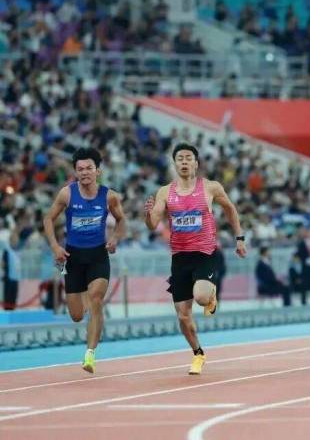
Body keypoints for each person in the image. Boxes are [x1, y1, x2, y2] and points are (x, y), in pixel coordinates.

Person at [144, 143, 247, 375]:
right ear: (174, 164)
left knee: (200, 297)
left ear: (196, 163)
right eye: (180, 158)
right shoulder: (165, 192)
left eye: (188, 158)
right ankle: (198, 353)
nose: (184, 162)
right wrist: (147, 216)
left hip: (204, 253)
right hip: (179, 257)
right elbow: (153, 223)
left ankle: (210, 294)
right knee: (183, 316)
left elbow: (230, 209)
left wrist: (239, 237)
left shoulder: (210, 187)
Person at [43, 147, 127, 373]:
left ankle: (90, 353)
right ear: (75, 172)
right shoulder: (67, 194)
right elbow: (48, 219)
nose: (85, 172)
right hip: (73, 257)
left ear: (98, 171)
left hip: (98, 255)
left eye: (89, 168)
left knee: (96, 298)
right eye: (80, 169)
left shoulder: (109, 196)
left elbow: (121, 220)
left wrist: (114, 239)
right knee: (77, 315)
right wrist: (55, 247)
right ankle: (90, 314)